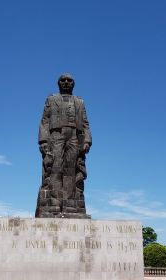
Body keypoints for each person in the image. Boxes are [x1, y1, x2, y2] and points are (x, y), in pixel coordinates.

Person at [36, 73, 92, 218]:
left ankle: (70, 203)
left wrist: (87, 140)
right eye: (63, 80)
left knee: (71, 170)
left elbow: (85, 123)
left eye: (69, 80)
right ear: (58, 83)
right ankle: (54, 203)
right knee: (55, 167)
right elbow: (45, 121)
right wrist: (43, 141)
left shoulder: (79, 102)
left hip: (74, 136)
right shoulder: (51, 99)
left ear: (73, 84)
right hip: (56, 135)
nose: (66, 82)